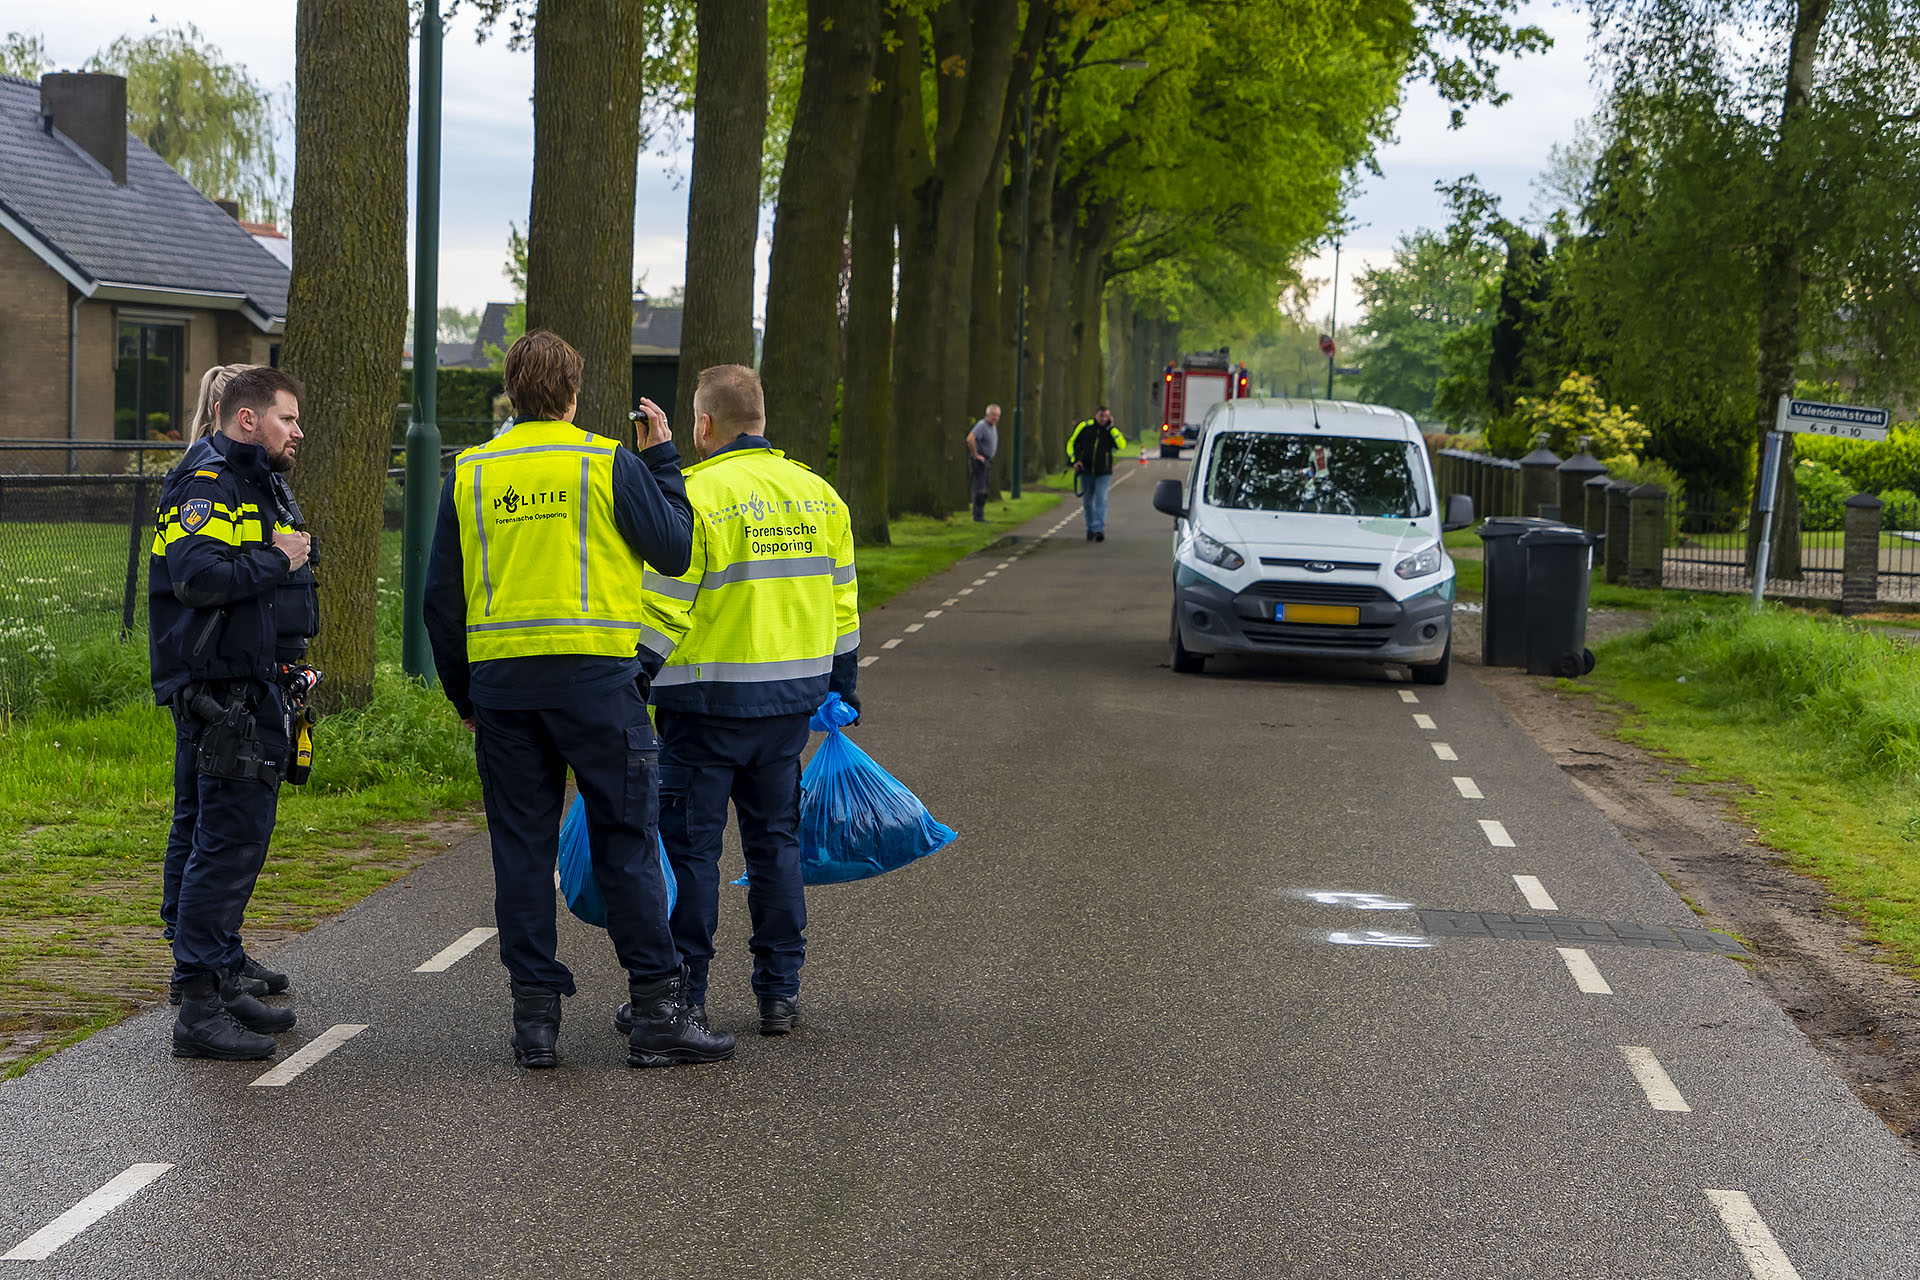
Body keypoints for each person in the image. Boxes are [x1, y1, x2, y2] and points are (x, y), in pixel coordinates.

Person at [423, 330, 733, 1071]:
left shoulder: (469, 472)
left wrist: (464, 693)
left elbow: (441, 599)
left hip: (503, 688)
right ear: (571, 394)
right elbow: (675, 549)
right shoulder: (606, 461)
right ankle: (657, 1010)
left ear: (510, 390)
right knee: (625, 839)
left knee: (521, 852)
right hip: (596, 684)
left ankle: (535, 1023)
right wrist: (662, 457)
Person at [627, 364, 859, 1040]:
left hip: (702, 709)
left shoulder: (694, 496)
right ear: (760, 417)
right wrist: (843, 687)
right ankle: (779, 996)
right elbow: (843, 603)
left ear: (703, 424)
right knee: (776, 847)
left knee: (694, 853)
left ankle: (688, 997)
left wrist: (630, 681)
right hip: (788, 707)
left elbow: (664, 607)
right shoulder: (819, 496)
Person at [149, 365, 315, 1060]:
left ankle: (216, 973)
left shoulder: (251, 477)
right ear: (248, 418)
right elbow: (198, 578)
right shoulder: (209, 482)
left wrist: (290, 661)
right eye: (287, 418)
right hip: (223, 693)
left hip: (249, 680)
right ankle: (199, 1003)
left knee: (221, 837)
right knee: (225, 843)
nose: (298, 431)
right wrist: (276, 562)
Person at [1066, 406, 1131, 542]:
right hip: (1086, 470)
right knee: (1088, 501)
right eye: (1101, 416)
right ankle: (1090, 529)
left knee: (1101, 499)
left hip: (1104, 472)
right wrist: (1075, 460)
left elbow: (1122, 445)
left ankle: (1098, 529)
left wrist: (1112, 429)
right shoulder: (1085, 426)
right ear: (1096, 415)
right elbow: (1072, 443)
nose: (1103, 419)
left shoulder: (1111, 431)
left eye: (1106, 416)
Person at [965, 404, 1000, 522]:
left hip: (987, 460)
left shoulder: (993, 427)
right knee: (980, 489)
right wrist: (976, 454)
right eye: (993, 415)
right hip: (980, 461)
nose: (995, 418)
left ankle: (980, 515)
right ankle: (978, 516)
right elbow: (970, 439)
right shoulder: (981, 425)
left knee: (984, 488)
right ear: (987, 415)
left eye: (997, 415)